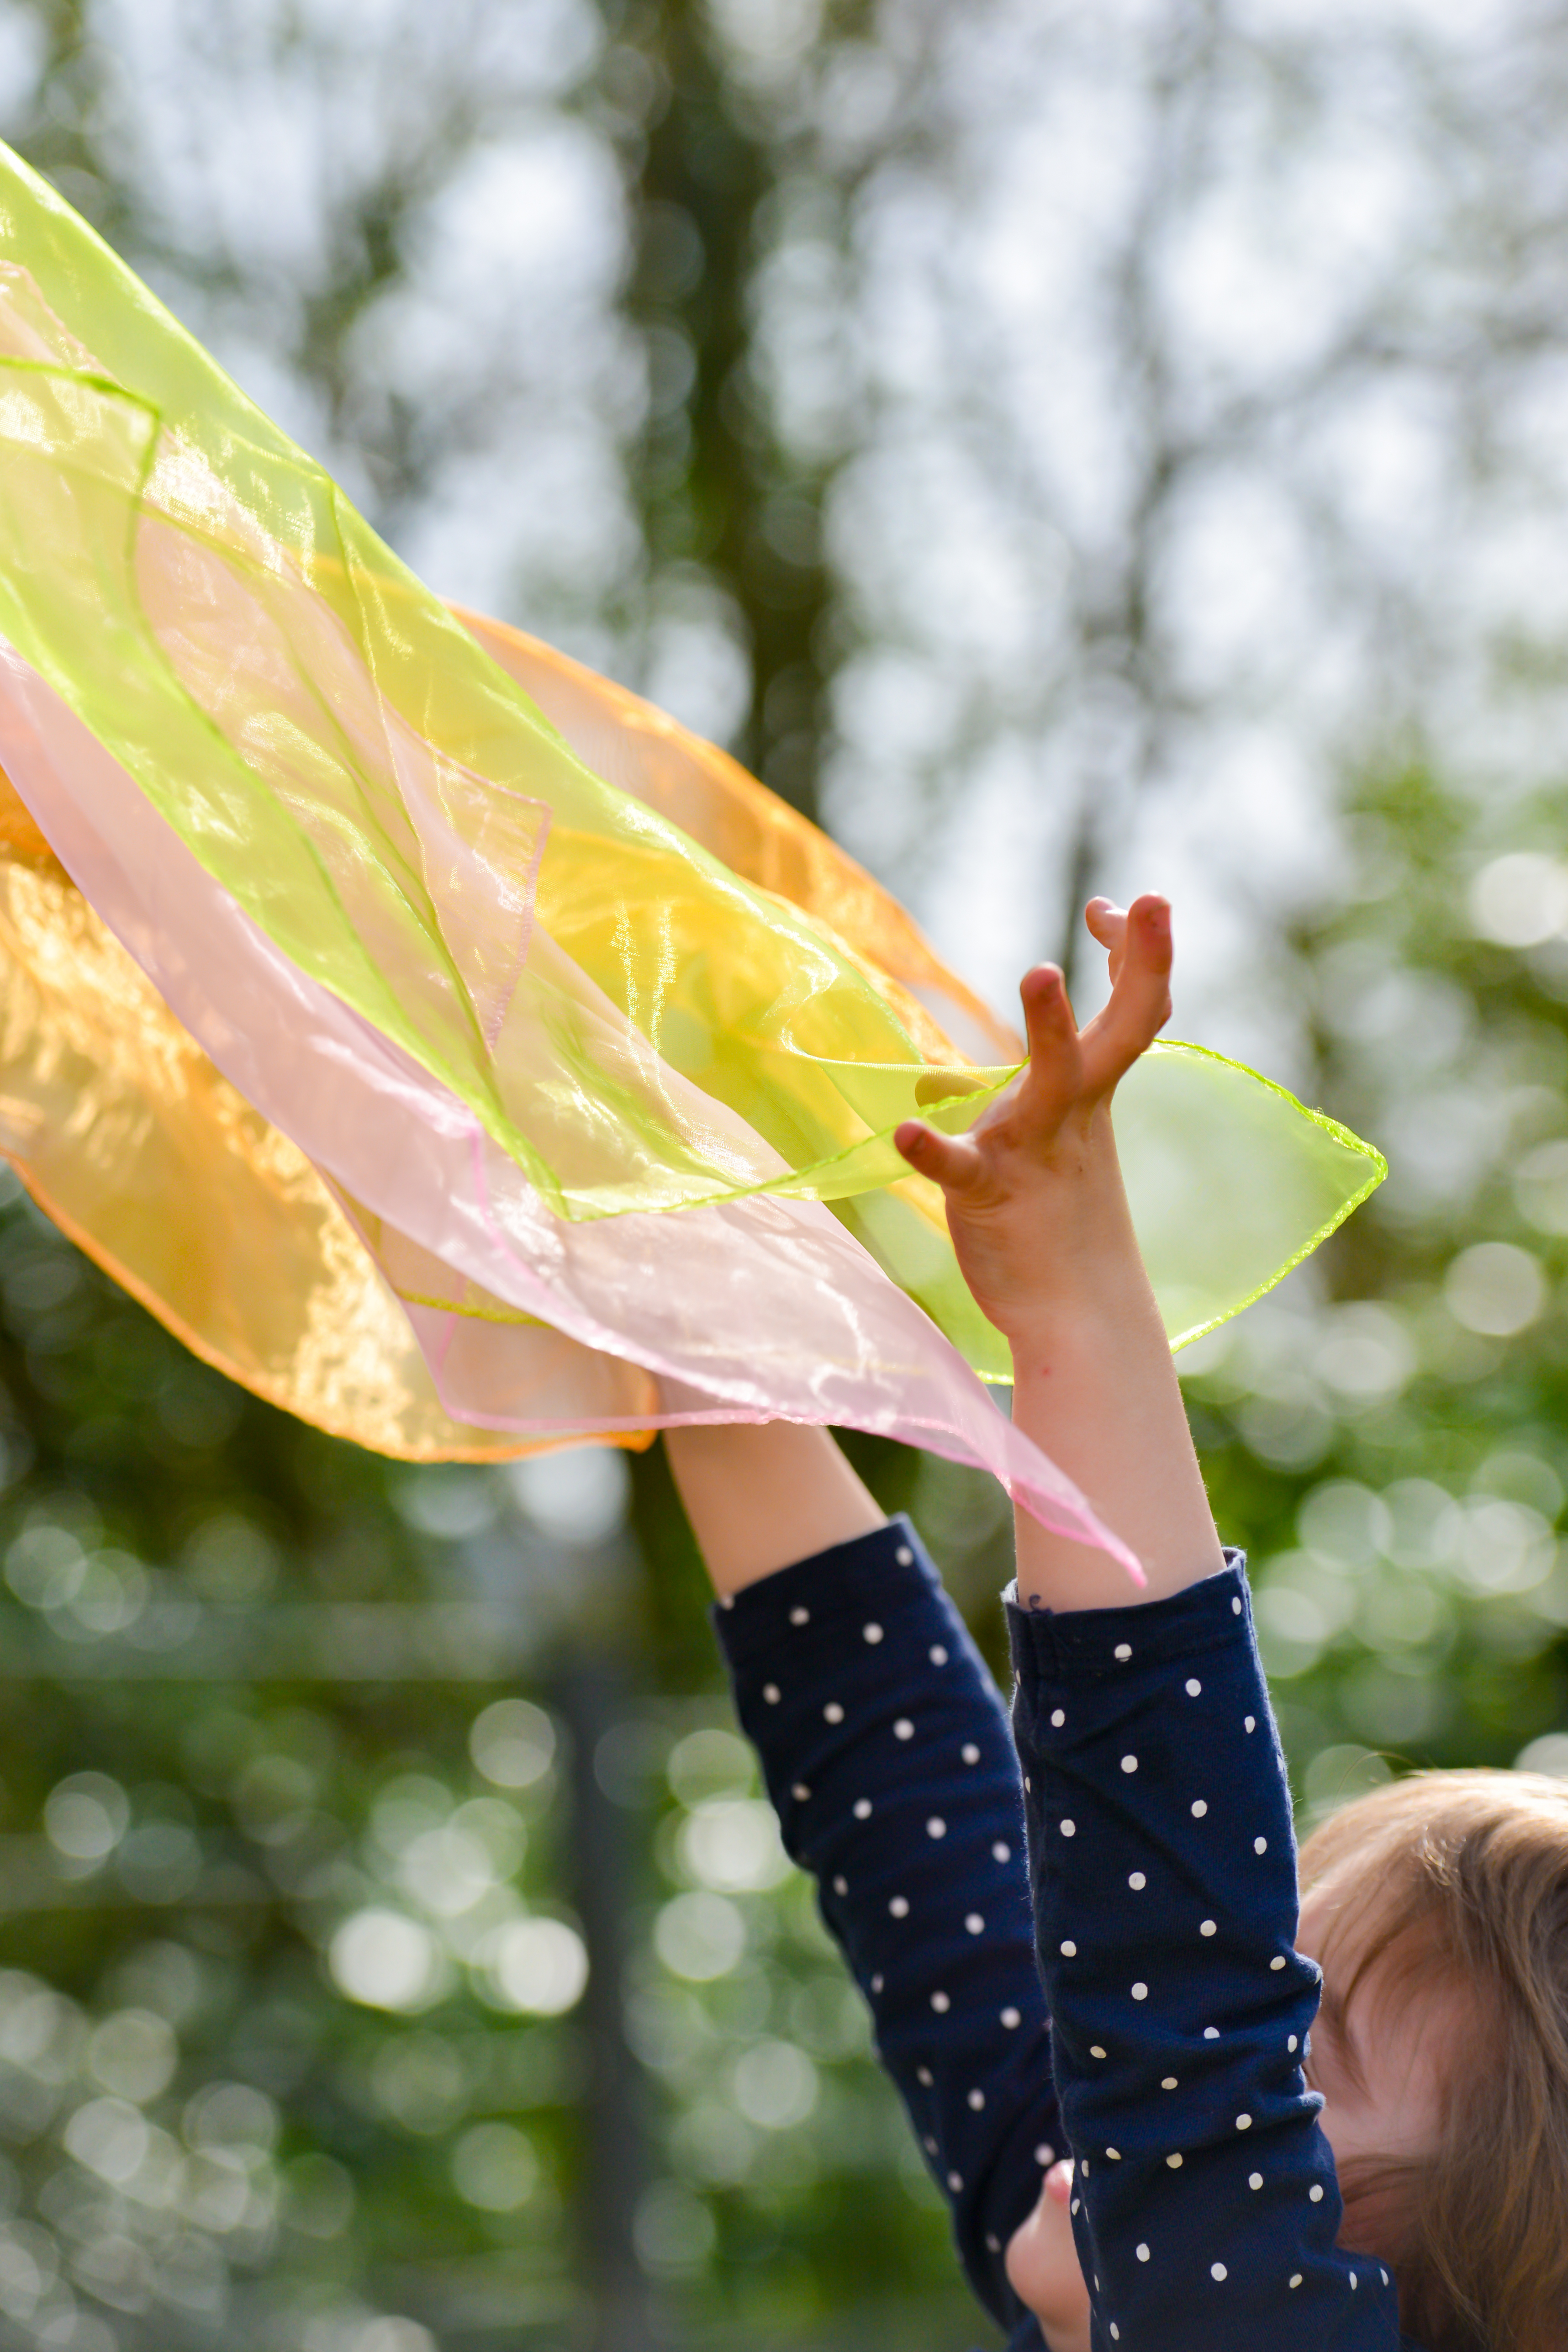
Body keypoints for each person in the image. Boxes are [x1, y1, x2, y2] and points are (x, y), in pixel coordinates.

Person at [665, 894, 1568, 2352]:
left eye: (1287, 2056)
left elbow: (1173, 1966)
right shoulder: (1100, 2258)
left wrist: (1076, 1304)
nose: (1165, 2044)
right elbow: (910, 1807)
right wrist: (669, 1291)